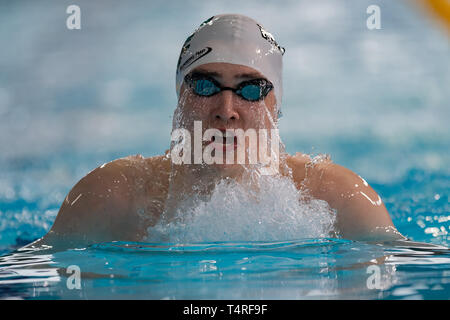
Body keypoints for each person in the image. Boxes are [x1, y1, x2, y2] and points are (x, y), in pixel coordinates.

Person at [32, 13, 405, 249]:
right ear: (180, 97)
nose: (227, 112)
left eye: (250, 89)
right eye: (206, 85)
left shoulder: (340, 202)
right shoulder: (108, 200)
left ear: (276, 106)